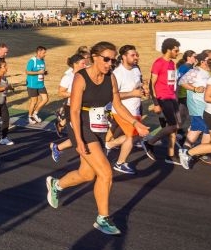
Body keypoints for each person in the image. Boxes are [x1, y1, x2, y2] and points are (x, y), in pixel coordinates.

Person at [45, 41, 148, 236]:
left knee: (87, 174)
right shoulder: (81, 77)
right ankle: (103, 219)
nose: (110, 63)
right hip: (80, 123)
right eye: (106, 59)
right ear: (94, 57)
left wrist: (135, 123)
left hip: (99, 125)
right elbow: (74, 111)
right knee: (106, 173)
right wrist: (78, 140)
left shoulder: (111, 78)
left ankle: (56, 185)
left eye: (113, 60)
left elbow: (118, 105)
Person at [106, 45, 146, 174]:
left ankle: (109, 144)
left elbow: (137, 86)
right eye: (132, 55)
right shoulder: (117, 74)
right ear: (124, 57)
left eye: (136, 54)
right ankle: (120, 163)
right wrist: (133, 93)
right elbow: (113, 95)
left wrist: (143, 90)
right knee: (131, 137)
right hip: (122, 110)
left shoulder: (136, 69)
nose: (136, 57)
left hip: (135, 109)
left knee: (137, 136)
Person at [143, 38, 181, 163]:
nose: (178, 53)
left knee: (176, 126)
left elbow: (172, 82)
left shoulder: (172, 63)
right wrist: (156, 103)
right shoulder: (158, 63)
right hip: (163, 98)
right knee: (173, 125)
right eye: (176, 50)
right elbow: (151, 84)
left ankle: (170, 154)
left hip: (172, 97)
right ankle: (150, 142)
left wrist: (175, 96)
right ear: (168, 50)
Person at [24, 46, 48, 124]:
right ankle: (30, 116)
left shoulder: (42, 61)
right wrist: (38, 72)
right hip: (32, 84)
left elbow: (41, 71)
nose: (45, 54)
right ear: (38, 52)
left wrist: (44, 73)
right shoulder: (32, 61)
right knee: (34, 101)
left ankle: (35, 113)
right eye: (44, 53)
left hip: (41, 84)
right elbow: (27, 72)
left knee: (45, 99)